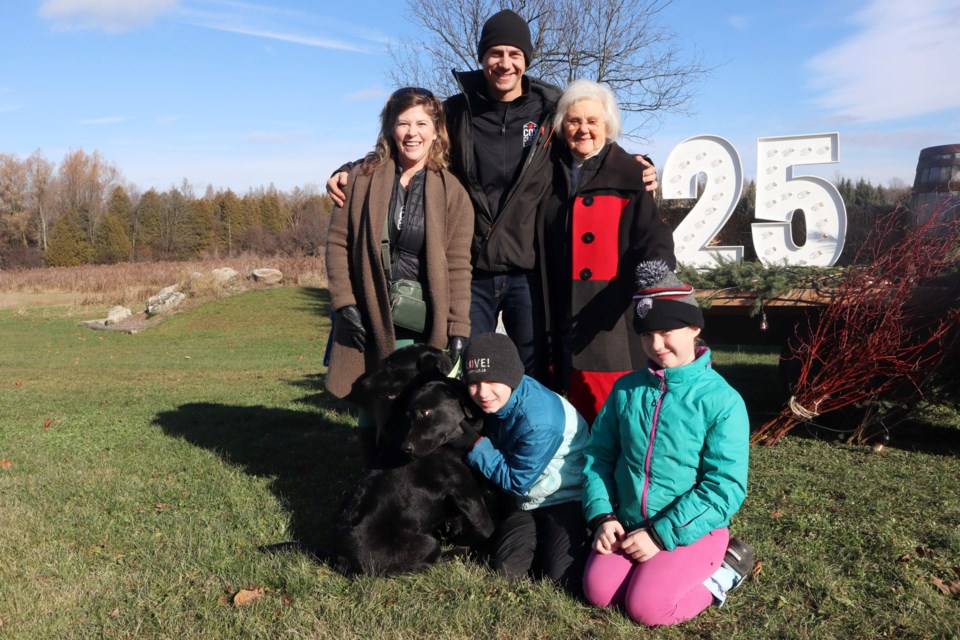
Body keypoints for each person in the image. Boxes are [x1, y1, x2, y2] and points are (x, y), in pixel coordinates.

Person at [327, 9, 659, 383]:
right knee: (470, 371)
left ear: (526, 60)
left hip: (530, 271)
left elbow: (590, 143)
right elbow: (406, 142)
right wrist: (352, 167)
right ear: (482, 57)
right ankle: (472, 441)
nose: (505, 63)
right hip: (473, 270)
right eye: (495, 53)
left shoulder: (549, 111)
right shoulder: (456, 111)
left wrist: (635, 163)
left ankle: (532, 439)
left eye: (514, 54)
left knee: (533, 373)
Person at [581, 260, 753, 627]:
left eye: (666, 331)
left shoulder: (723, 401)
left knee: (647, 609)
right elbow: (599, 455)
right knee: (597, 593)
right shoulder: (626, 388)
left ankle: (726, 568)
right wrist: (603, 516)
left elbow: (725, 487)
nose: (655, 345)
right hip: (628, 522)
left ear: (693, 327)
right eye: (645, 335)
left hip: (689, 528)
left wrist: (660, 534)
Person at [324, 87, 473, 461]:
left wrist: (458, 327)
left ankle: (405, 479)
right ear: (390, 128)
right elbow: (338, 244)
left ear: (437, 130)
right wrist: (344, 303)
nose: (412, 132)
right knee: (369, 400)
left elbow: (458, 265)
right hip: (368, 309)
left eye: (422, 123)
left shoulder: (452, 191)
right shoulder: (361, 178)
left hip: (419, 319)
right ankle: (371, 473)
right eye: (403, 123)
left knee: (410, 403)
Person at [538, 79, 677, 423]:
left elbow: (655, 242)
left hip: (609, 320)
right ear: (561, 126)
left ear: (608, 127)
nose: (583, 129)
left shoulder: (632, 175)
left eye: (592, 121)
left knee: (613, 419)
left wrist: (652, 290)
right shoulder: (545, 173)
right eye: (574, 121)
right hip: (553, 314)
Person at [456, 332, 589, 591]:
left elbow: (517, 480)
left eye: (493, 380)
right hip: (527, 499)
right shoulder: (501, 399)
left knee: (560, 579)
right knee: (506, 571)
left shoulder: (538, 421)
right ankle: (540, 541)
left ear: (512, 376)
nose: (483, 393)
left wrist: (475, 445)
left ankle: (572, 534)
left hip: (565, 497)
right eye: (474, 382)